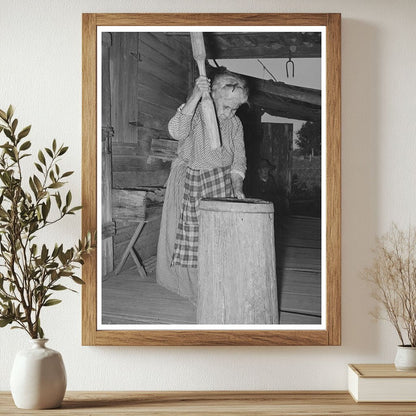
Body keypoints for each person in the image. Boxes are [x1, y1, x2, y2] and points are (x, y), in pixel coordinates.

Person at [156, 71, 249, 302]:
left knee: (220, 238)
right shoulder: (195, 112)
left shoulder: (235, 123)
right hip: (191, 179)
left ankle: (217, 285)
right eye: (226, 106)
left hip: (220, 182)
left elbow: (239, 159)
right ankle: (195, 291)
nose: (229, 113)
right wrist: (196, 94)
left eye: (235, 108)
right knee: (193, 239)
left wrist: (236, 186)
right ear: (213, 95)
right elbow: (176, 131)